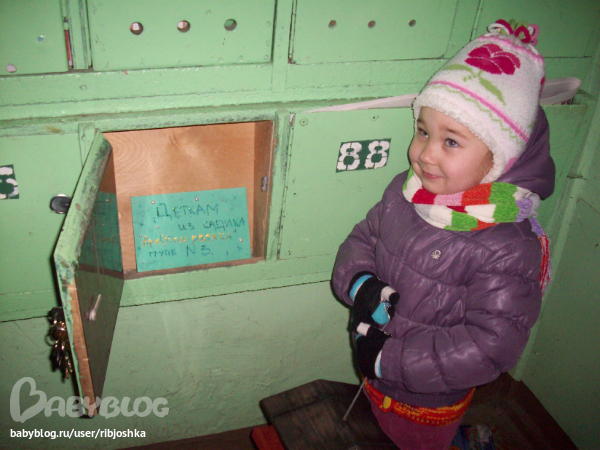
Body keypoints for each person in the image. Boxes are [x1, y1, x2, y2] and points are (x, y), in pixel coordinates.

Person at [331, 20, 554, 450]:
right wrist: (360, 283)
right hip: (375, 369)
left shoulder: (509, 244)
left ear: (500, 159)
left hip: (428, 398)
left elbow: (490, 346)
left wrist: (389, 359)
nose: (425, 154)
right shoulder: (406, 193)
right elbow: (362, 239)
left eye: (451, 142)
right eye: (423, 131)